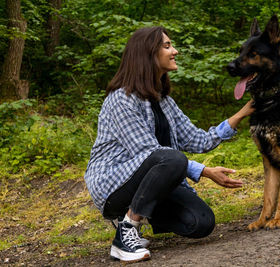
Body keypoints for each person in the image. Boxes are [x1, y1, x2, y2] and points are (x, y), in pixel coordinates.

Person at [84, 26, 254, 263]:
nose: (174, 51)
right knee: (172, 157)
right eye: (167, 46)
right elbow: (148, 153)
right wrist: (204, 171)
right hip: (113, 184)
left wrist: (242, 114)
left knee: (201, 222)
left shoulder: (164, 102)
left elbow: (198, 140)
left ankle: (133, 216)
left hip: (154, 177)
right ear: (148, 53)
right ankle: (127, 231)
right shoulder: (121, 100)